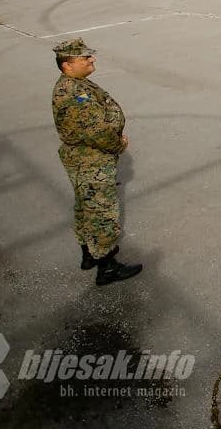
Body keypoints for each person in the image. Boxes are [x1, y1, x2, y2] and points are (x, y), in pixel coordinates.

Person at [51, 38, 142, 286]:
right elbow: (96, 131)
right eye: (84, 58)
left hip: (82, 158)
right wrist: (118, 145)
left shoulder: (74, 84)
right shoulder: (73, 93)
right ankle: (107, 267)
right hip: (91, 160)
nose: (91, 60)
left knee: (85, 207)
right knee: (102, 211)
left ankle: (88, 254)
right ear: (67, 65)